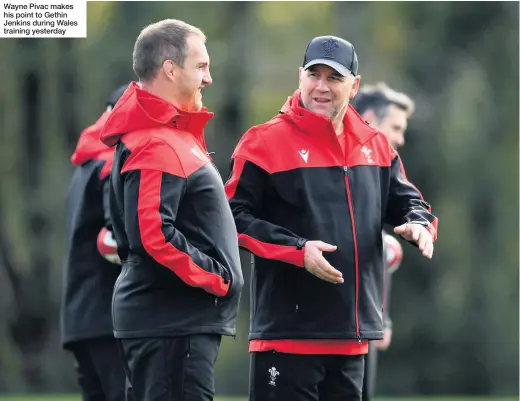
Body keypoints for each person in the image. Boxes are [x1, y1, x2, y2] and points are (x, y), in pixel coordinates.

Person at [225, 36, 438, 401]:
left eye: (334, 78)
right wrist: (298, 249)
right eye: (313, 75)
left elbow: (408, 201)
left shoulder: (375, 144)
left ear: (354, 86)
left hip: (351, 342)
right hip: (286, 339)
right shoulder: (262, 142)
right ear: (300, 77)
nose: (321, 87)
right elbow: (232, 218)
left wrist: (418, 224)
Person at [99, 19, 244, 401]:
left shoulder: (170, 137)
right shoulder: (156, 143)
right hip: (171, 326)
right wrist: (221, 278)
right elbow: (154, 235)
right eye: (201, 66)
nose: (208, 78)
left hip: (175, 325)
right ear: (169, 69)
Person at [60, 83, 128, 401]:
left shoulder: (84, 167)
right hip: (108, 319)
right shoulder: (110, 164)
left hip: (78, 320)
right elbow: (114, 237)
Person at [350, 82, 416, 401]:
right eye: (396, 127)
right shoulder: (338, 163)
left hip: (365, 323)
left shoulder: (382, 169)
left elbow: (372, 249)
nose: (401, 138)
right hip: (326, 325)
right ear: (372, 118)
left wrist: (382, 316)